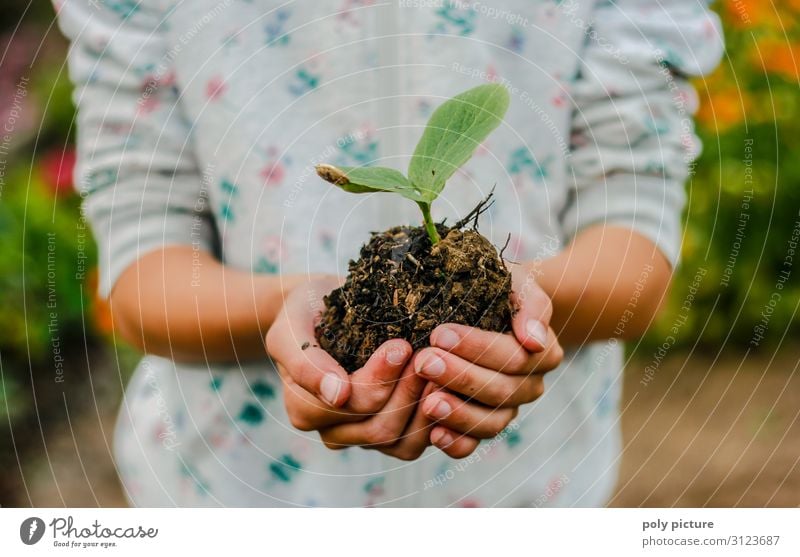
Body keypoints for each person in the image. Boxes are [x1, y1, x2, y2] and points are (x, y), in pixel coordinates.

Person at [56, 0, 723, 506]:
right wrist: (285, 311)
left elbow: (635, 245)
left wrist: (509, 307)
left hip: (527, 493)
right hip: (235, 492)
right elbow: (142, 269)